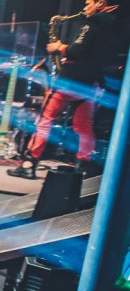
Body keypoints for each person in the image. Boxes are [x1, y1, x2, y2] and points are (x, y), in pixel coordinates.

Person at [8, 0, 121, 179]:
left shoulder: (93, 22)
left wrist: (59, 47)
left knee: (44, 120)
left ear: (100, 3)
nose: (84, 8)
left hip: (69, 81)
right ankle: (83, 168)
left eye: (88, 3)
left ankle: (29, 163)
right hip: (90, 82)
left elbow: (76, 50)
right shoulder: (117, 25)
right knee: (84, 126)